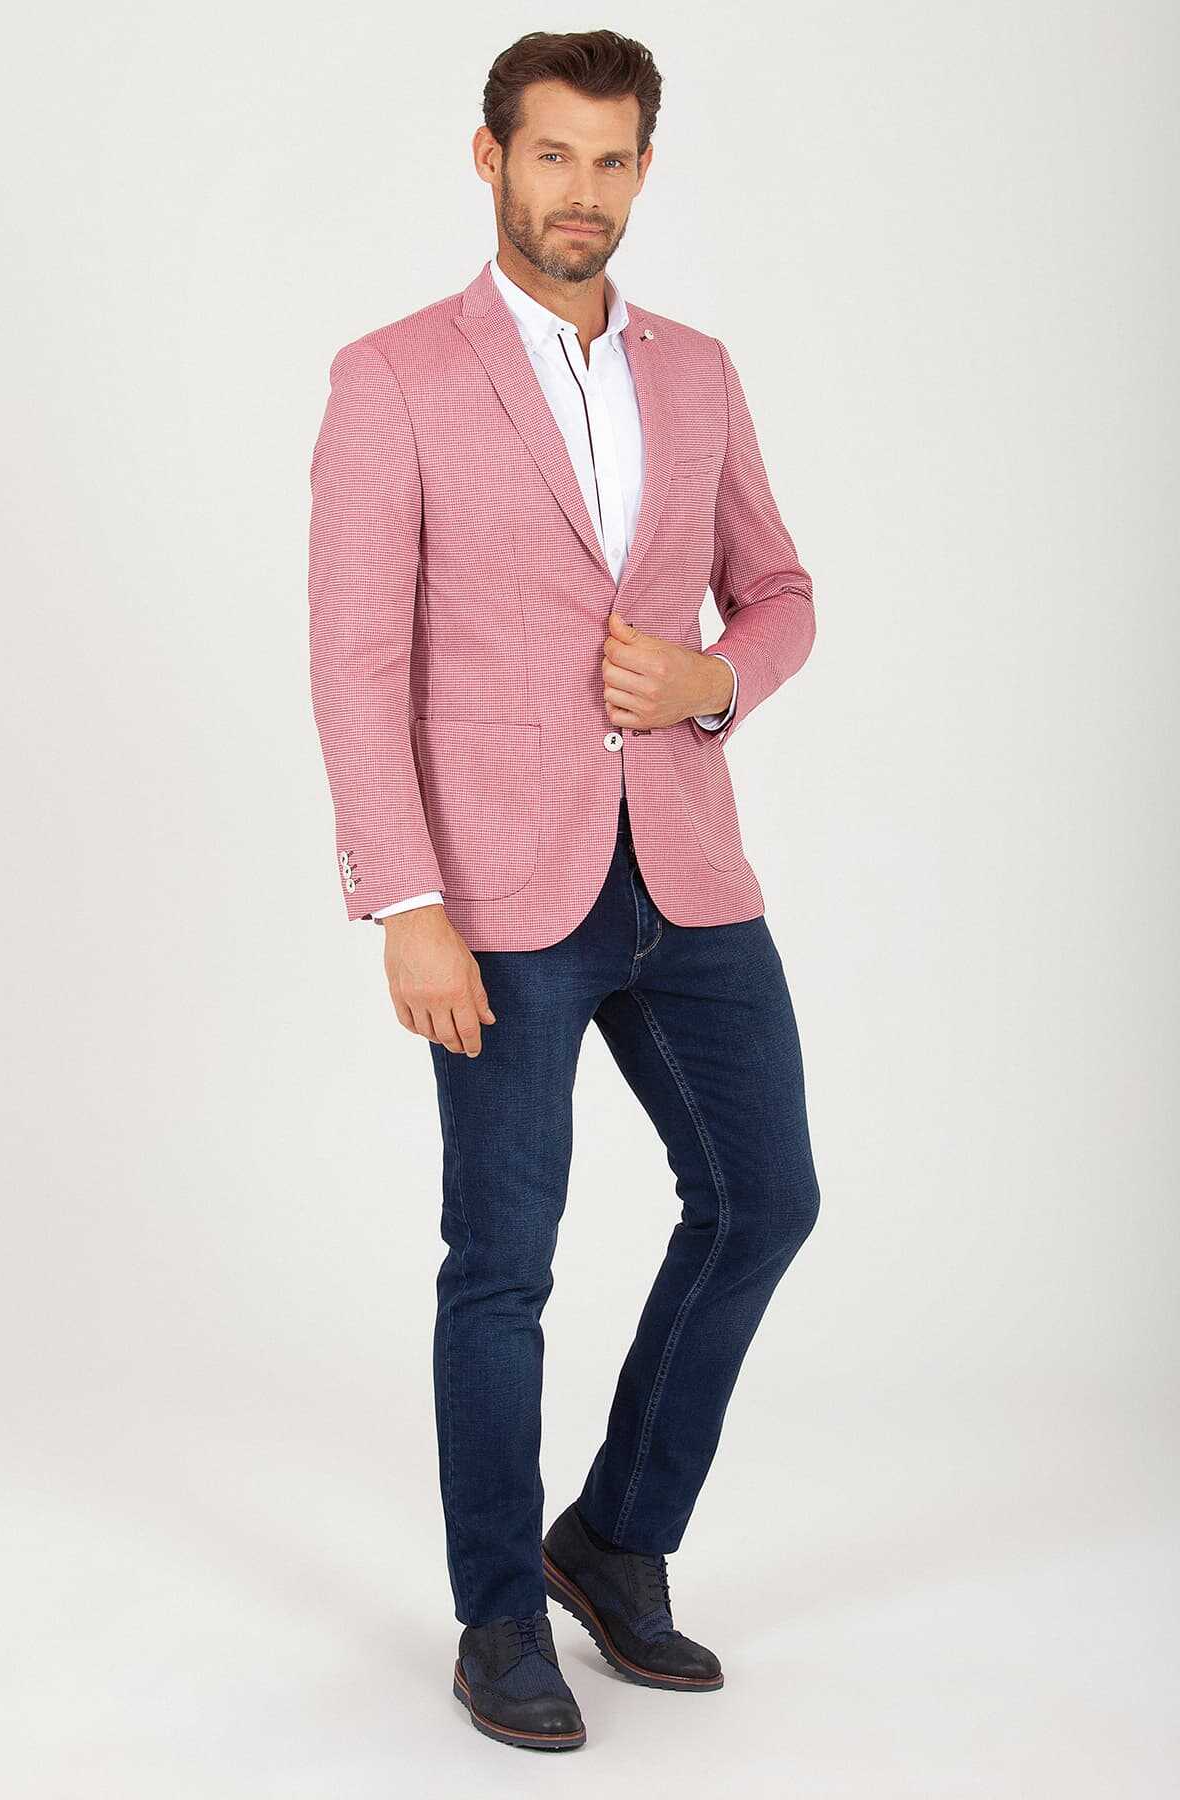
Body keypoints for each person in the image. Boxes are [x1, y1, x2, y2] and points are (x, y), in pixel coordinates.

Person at [307, 27, 821, 1754]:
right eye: (551, 156)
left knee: (764, 1198)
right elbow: (356, 659)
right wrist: (406, 901)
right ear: (490, 159)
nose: (580, 193)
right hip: (494, 897)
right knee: (502, 1263)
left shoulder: (700, 374)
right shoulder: (393, 378)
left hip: (686, 872)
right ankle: (499, 1615)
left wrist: (713, 681)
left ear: (643, 171)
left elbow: (780, 592)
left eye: (610, 161)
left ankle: (612, 1538)